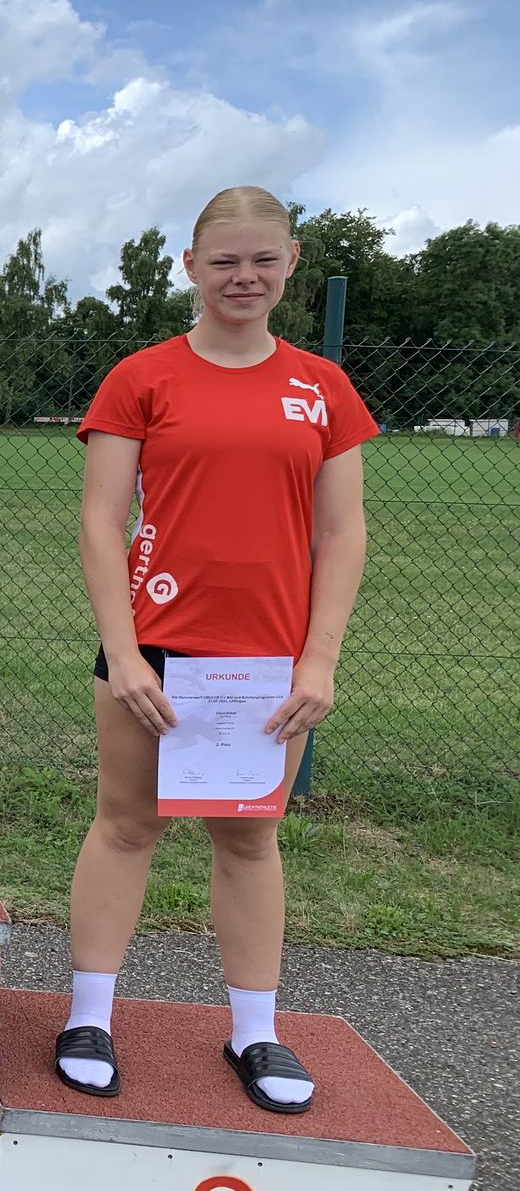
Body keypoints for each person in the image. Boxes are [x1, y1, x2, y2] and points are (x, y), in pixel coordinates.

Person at [56, 185, 375, 1114]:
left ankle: (255, 1031)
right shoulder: (142, 377)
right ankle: (88, 1016)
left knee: (248, 837)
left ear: (291, 263)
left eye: (263, 260)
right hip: (155, 648)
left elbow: (343, 532)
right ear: (191, 266)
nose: (244, 277)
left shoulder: (324, 389)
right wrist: (123, 652)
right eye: (225, 261)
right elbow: (100, 521)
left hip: (270, 662)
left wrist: (319, 661)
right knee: (126, 826)